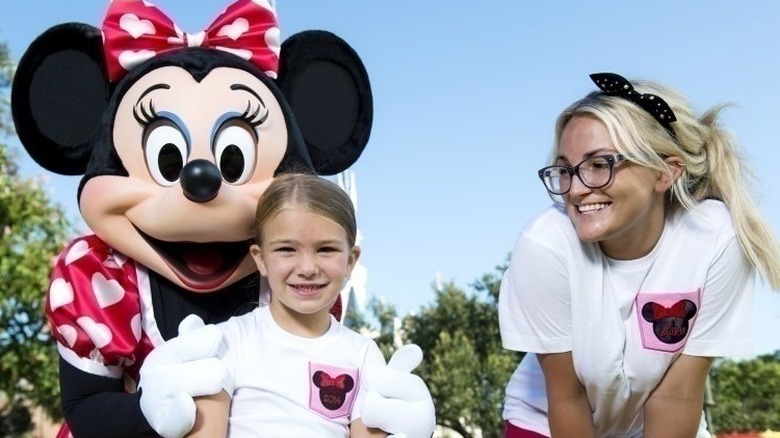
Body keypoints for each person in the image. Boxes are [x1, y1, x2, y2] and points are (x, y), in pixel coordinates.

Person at [498, 72, 780, 438]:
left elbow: (676, 396)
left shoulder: (717, 239)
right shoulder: (546, 245)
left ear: (665, 172)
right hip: (548, 419)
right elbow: (568, 395)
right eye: (566, 170)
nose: (577, 189)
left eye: (600, 164)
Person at [187, 173, 390, 437]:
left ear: (351, 261)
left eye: (326, 249)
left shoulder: (363, 354)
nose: (307, 268)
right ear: (260, 259)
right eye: (287, 249)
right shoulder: (227, 340)